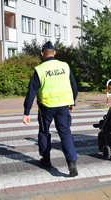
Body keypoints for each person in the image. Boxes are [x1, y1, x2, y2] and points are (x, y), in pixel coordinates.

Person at [22, 41, 79, 177]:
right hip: (63, 106)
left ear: (42, 53)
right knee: (65, 133)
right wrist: (72, 102)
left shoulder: (40, 69)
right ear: (55, 53)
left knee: (44, 132)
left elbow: (31, 91)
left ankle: (46, 160)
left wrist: (26, 112)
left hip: (46, 107)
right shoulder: (65, 66)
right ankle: (71, 162)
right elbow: (74, 86)